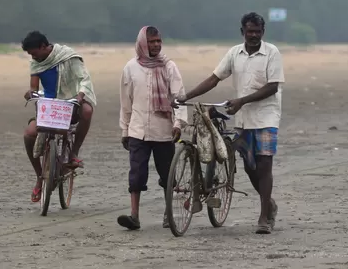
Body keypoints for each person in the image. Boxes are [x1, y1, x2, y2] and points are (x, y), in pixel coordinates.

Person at [181, 12, 285, 234]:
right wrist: (186, 97)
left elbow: (272, 87)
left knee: (264, 164)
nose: (253, 35)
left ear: (263, 32)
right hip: (243, 119)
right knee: (249, 167)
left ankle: (264, 217)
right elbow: (214, 79)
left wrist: (242, 101)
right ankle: (270, 204)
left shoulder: (272, 53)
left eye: (257, 31)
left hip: (266, 117)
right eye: (250, 31)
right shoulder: (234, 53)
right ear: (242, 32)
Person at [117, 26, 188, 231]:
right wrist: (125, 130)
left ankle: (169, 213)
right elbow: (126, 102)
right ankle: (134, 216)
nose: (156, 45)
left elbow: (179, 97)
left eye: (158, 41)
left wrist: (178, 123)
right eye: (152, 42)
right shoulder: (130, 68)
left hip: (164, 130)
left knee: (167, 174)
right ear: (142, 44)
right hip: (138, 130)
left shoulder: (169, 67)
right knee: (136, 173)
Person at [21, 31, 97, 203]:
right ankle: (39, 176)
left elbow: (84, 79)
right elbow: (34, 87)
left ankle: (74, 152)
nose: (33, 57)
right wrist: (30, 93)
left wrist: (80, 96)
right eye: (30, 55)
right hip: (49, 107)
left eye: (34, 53)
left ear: (43, 46)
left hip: (71, 104)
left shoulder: (67, 56)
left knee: (87, 111)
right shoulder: (36, 63)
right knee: (29, 134)